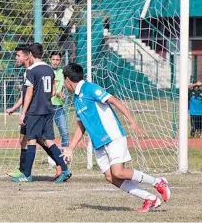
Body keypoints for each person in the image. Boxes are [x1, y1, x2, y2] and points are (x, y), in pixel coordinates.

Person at [61, 63, 171, 212]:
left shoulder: (89, 88)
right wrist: (71, 148)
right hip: (98, 143)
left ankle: (158, 182)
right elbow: (81, 126)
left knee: (118, 172)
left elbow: (113, 100)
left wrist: (132, 121)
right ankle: (150, 198)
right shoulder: (76, 99)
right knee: (110, 176)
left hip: (112, 136)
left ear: (67, 79)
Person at [10, 43, 71, 183]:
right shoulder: (49, 69)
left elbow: (29, 93)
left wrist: (23, 113)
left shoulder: (30, 70)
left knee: (31, 140)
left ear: (30, 55)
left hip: (35, 110)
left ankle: (26, 175)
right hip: (48, 109)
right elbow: (51, 91)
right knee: (49, 141)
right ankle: (65, 168)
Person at [46, 52, 70, 176]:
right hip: (47, 108)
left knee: (65, 133)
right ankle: (53, 158)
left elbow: (66, 85)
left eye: (57, 59)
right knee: (48, 137)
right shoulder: (46, 71)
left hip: (59, 107)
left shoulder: (62, 72)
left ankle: (64, 157)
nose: (55, 61)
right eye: (53, 59)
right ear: (50, 60)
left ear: (60, 61)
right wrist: (56, 93)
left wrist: (64, 92)